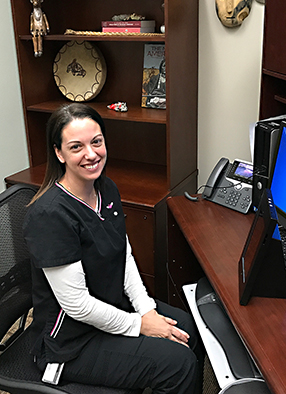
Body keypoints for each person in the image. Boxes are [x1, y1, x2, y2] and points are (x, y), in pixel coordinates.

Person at [23, 103, 204, 393]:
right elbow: (77, 306)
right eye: (76, 147)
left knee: (188, 329)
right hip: (71, 342)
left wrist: (146, 310)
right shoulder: (49, 216)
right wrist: (140, 325)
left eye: (96, 142)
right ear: (59, 153)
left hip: (109, 304)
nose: (91, 154)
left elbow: (124, 255)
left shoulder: (105, 188)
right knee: (177, 363)